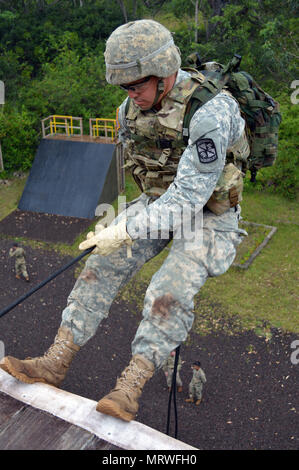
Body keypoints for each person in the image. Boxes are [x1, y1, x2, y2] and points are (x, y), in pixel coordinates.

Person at [0, 19, 247, 422]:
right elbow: (146, 176)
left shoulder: (211, 112)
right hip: (156, 202)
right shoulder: (128, 110)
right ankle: (55, 361)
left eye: (137, 86)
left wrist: (127, 227)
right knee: (99, 263)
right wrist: (120, 226)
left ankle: (130, 388)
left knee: (168, 291)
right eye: (125, 88)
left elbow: (189, 198)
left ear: (164, 74)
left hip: (209, 213)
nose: (131, 95)